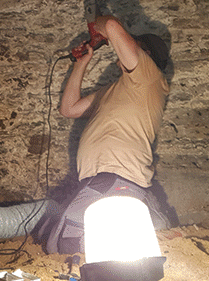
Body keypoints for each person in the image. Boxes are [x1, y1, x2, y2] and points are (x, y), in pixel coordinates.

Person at [45, 14, 172, 254]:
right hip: (104, 181)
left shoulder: (148, 75)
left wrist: (98, 26)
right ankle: (153, 223)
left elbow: (112, 25)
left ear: (144, 54)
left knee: (61, 244)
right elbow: (69, 109)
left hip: (114, 177)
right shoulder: (119, 89)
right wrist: (81, 63)